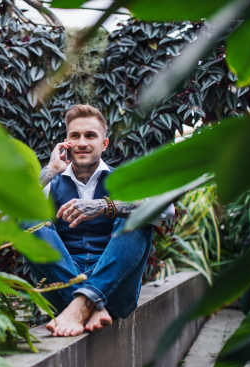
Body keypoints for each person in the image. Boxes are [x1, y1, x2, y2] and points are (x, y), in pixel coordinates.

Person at [28, 104, 174, 337]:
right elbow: (7, 214)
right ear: (66, 141)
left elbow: (167, 208)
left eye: (90, 135)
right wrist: (51, 169)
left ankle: (85, 302)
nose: (82, 142)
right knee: (26, 219)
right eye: (75, 136)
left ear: (104, 144)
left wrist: (106, 207)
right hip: (62, 290)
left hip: (117, 293)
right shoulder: (52, 182)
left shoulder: (123, 179)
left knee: (138, 214)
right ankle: (90, 304)